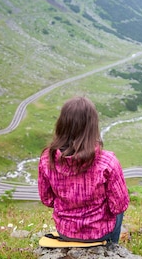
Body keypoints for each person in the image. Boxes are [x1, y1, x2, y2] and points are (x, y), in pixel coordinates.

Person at [38, 96, 130, 243]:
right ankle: (111, 247)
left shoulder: (46, 159)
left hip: (65, 231)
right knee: (119, 213)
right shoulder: (108, 162)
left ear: (61, 124)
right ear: (92, 126)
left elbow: (47, 199)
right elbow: (119, 205)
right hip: (100, 233)